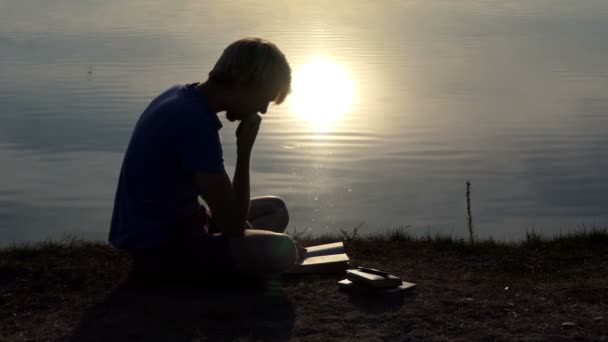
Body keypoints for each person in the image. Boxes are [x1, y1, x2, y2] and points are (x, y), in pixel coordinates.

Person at [109, 37, 300, 279]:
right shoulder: (195, 124)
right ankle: (214, 273)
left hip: (172, 226)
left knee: (275, 209)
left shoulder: (181, 96)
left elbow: (227, 212)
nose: (263, 110)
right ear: (245, 83)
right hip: (161, 248)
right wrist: (244, 151)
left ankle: (236, 257)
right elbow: (233, 226)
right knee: (284, 252)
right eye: (264, 99)